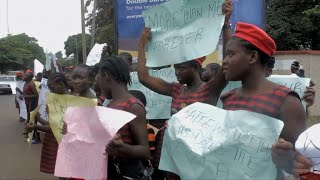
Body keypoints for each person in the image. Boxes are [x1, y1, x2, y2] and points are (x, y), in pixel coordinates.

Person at [220, 22, 307, 179]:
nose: (224, 61)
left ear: (253, 57)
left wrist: (287, 158)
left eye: (231, 54)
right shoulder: (227, 99)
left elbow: (304, 162)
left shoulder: (287, 102)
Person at [98, 56, 150, 179]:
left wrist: (121, 147)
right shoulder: (111, 104)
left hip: (125, 172)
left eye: (98, 79)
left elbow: (145, 151)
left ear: (106, 76)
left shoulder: (133, 106)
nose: (98, 85)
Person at [25, 73, 70, 177]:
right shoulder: (56, 100)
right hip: (55, 141)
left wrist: (36, 127)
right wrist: (38, 118)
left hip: (63, 143)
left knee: (66, 172)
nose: (51, 92)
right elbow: (52, 124)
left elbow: (55, 128)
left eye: (52, 88)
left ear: (60, 84)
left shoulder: (71, 102)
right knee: (61, 171)